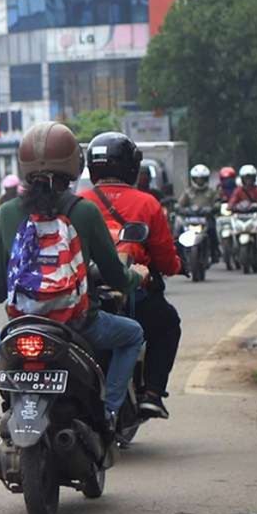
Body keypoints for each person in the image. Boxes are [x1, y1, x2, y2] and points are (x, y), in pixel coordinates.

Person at [0, 122, 146, 424]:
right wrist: (136, 276)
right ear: (74, 164)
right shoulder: (84, 211)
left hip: (24, 325)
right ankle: (110, 411)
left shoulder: (7, 213)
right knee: (133, 334)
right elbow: (116, 276)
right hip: (78, 324)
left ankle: (11, 405)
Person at [81, 132, 183, 420]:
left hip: (83, 294)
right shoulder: (147, 204)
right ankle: (152, 394)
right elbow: (165, 260)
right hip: (132, 290)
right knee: (168, 324)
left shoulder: (78, 202)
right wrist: (175, 266)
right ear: (131, 167)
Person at [179, 164, 221, 262]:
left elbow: (217, 202)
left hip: (206, 218)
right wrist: (180, 208)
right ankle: (179, 254)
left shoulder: (211, 192)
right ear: (193, 179)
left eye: (202, 179)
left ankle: (214, 252)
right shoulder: (188, 192)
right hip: (190, 219)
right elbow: (180, 204)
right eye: (197, 179)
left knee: (212, 231)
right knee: (179, 232)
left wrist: (214, 208)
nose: (200, 181)